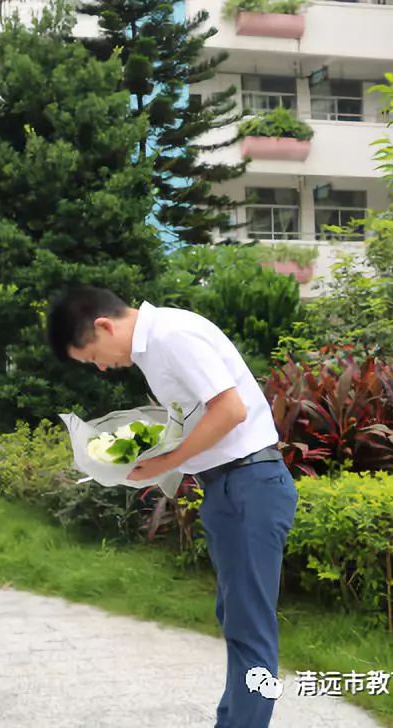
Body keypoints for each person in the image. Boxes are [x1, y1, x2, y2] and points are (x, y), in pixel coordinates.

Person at [47, 286, 297, 728]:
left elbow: (231, 410)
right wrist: (147, 455)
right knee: (237, 621)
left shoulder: (171, 335)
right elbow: (201, 420)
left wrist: (167, 461)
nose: (102, 367)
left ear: (104, 325)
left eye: (93, 357)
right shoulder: (154, 348)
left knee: (251, 630)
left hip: (249, 485)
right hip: (227, 486)